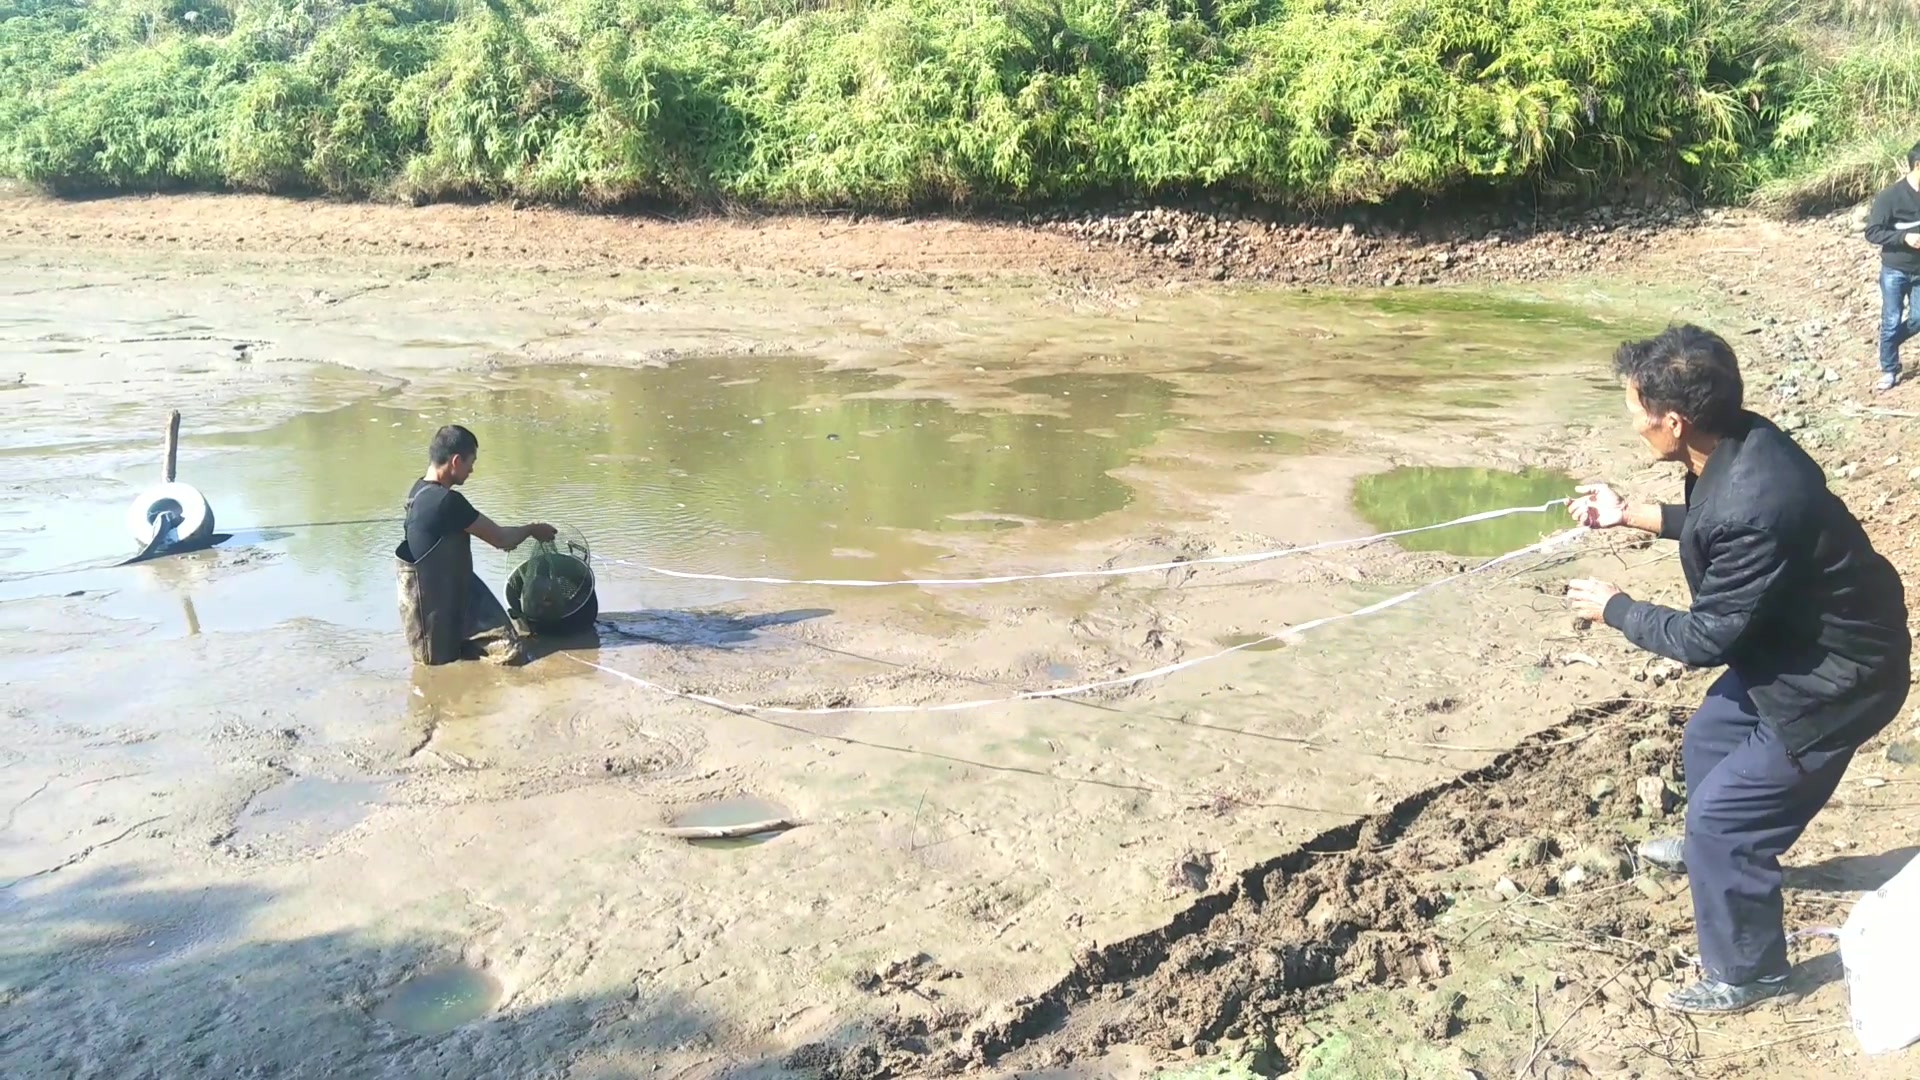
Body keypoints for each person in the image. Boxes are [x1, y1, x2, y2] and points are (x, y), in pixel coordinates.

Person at [1565, 324, 1910, 1015]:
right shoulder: (1738, 443)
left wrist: (1617, 609)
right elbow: (1712, 524)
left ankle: (1751, 972)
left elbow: (1706, 637)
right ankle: (1723, 855)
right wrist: (1627, 513)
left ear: (1674, 421)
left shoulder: (1756, 497)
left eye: (1636, 412)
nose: (1632, 424)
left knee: (1724, 825)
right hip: (1791, 648)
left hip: (1838, 680)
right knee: (1709, 739)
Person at [394, 424, 556, 665]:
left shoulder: (417, 492)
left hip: (427, 607)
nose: (472, 469)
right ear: (456, 461)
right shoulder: (448, 502)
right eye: (471, 462)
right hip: (441, 610)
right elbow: (501, 539)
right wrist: (532, 529)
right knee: (513, 656)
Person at [1864, 140, 1920, 392]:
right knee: (1891, 319)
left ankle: (1889, 342)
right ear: (1917, 166)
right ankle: (1889, 368)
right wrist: (1904, 237)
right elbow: (1873, 232)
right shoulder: (1889, 197)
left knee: (1918, 318)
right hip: (1894, 270)